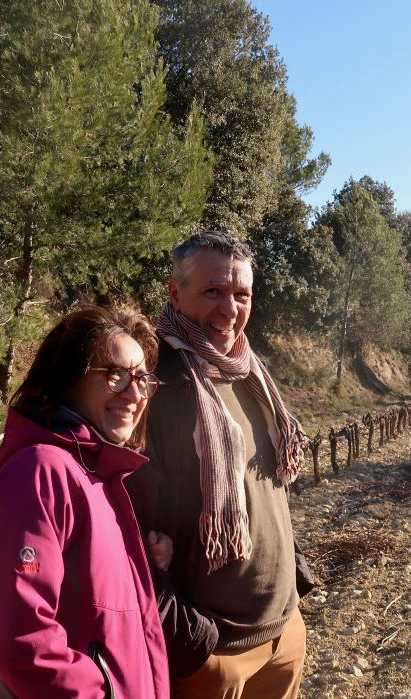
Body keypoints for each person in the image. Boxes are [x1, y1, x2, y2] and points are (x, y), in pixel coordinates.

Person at [127, 231, 314, 699]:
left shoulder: (250, 372)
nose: (229, 310)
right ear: (175, 292)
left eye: (241, 294)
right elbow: (129, 529)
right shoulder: (153, 385)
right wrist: (195, 646)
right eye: (212, 291)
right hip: (213, 652)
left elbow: (270, 490)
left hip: (282, 630)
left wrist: (295, 588)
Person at [0, 305, 171, 698]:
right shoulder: (39, 473)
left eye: (142, 379)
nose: (134, 394)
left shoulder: (96, 475)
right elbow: (20, 637)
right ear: (66, 380)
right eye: (114, 375)